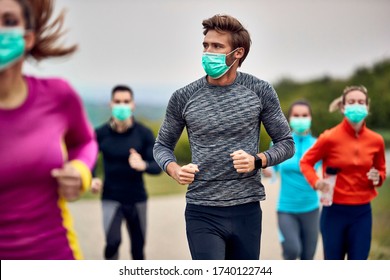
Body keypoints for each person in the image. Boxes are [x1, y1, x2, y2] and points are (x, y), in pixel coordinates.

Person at [153, 14, 295, 260]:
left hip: (246, 209)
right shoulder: (183, 97)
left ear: (237, 53)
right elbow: (162, 145)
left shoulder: (260, 91)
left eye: (217, 46)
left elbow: (286, 143)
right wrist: (173, 168)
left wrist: (257, 160)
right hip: (201, 209)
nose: (208, 52)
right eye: (206, 45)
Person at [0, 0, 97, 259]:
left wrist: (80, 172)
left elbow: (85, 142)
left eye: (8, 22)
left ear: (28, 38)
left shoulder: (58, 95)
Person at [300, 85, 387, 260]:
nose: (357, 105)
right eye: (352, 102)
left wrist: (378, 177)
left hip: (362, 213)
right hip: (334, 212)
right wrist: (316, 182)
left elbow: (381, 171)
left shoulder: (376, 141)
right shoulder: (329, 138)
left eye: (361, 102)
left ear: (367, 107)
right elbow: (306, 162)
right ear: (343, 107)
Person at [91, 85, 161, 260]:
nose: (122, 105)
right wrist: (92, 178)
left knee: (138, 249)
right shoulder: (100, 133)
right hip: (111, 197)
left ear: (133, 105)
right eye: (117, 101)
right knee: (112, 242)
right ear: (111, 104)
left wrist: (143, 164)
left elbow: (157, 166)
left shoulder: (143, 133)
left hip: (137, 199)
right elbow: (89, 159)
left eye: (126, 101)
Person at [264, 100, 320, 260]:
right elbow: (271, 170)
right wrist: (262, 167)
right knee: (291, 250)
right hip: (286, 209)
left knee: (307, 257)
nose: (300, 118)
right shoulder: (278, 144)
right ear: (289, 118)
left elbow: (331, 169)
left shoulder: (318, 145)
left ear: (310, 118)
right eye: (296, 115)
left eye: (304, 115)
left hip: (311, 209)